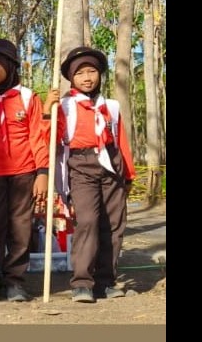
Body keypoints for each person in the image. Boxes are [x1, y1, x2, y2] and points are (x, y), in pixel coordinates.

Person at [44, 46, 136, 303]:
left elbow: (121, 142)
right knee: (88, 221)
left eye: (92, 71)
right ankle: (82, 282)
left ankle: (106, 281)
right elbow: (50, 139)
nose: (87, 78)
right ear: (71, 78)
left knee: (114, 224)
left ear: (99, 74)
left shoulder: (111, 106)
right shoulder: (64, 106)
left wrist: (128, 175)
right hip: (80, 164)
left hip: (111, 164)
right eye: (80, 73)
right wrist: (47, 111)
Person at [0, 39, 49, 302]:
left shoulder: (28, 97)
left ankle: (15, 281)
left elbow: (38, 137)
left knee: (21, 230)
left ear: (10, 64)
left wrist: (42, 173)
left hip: (23, 173)